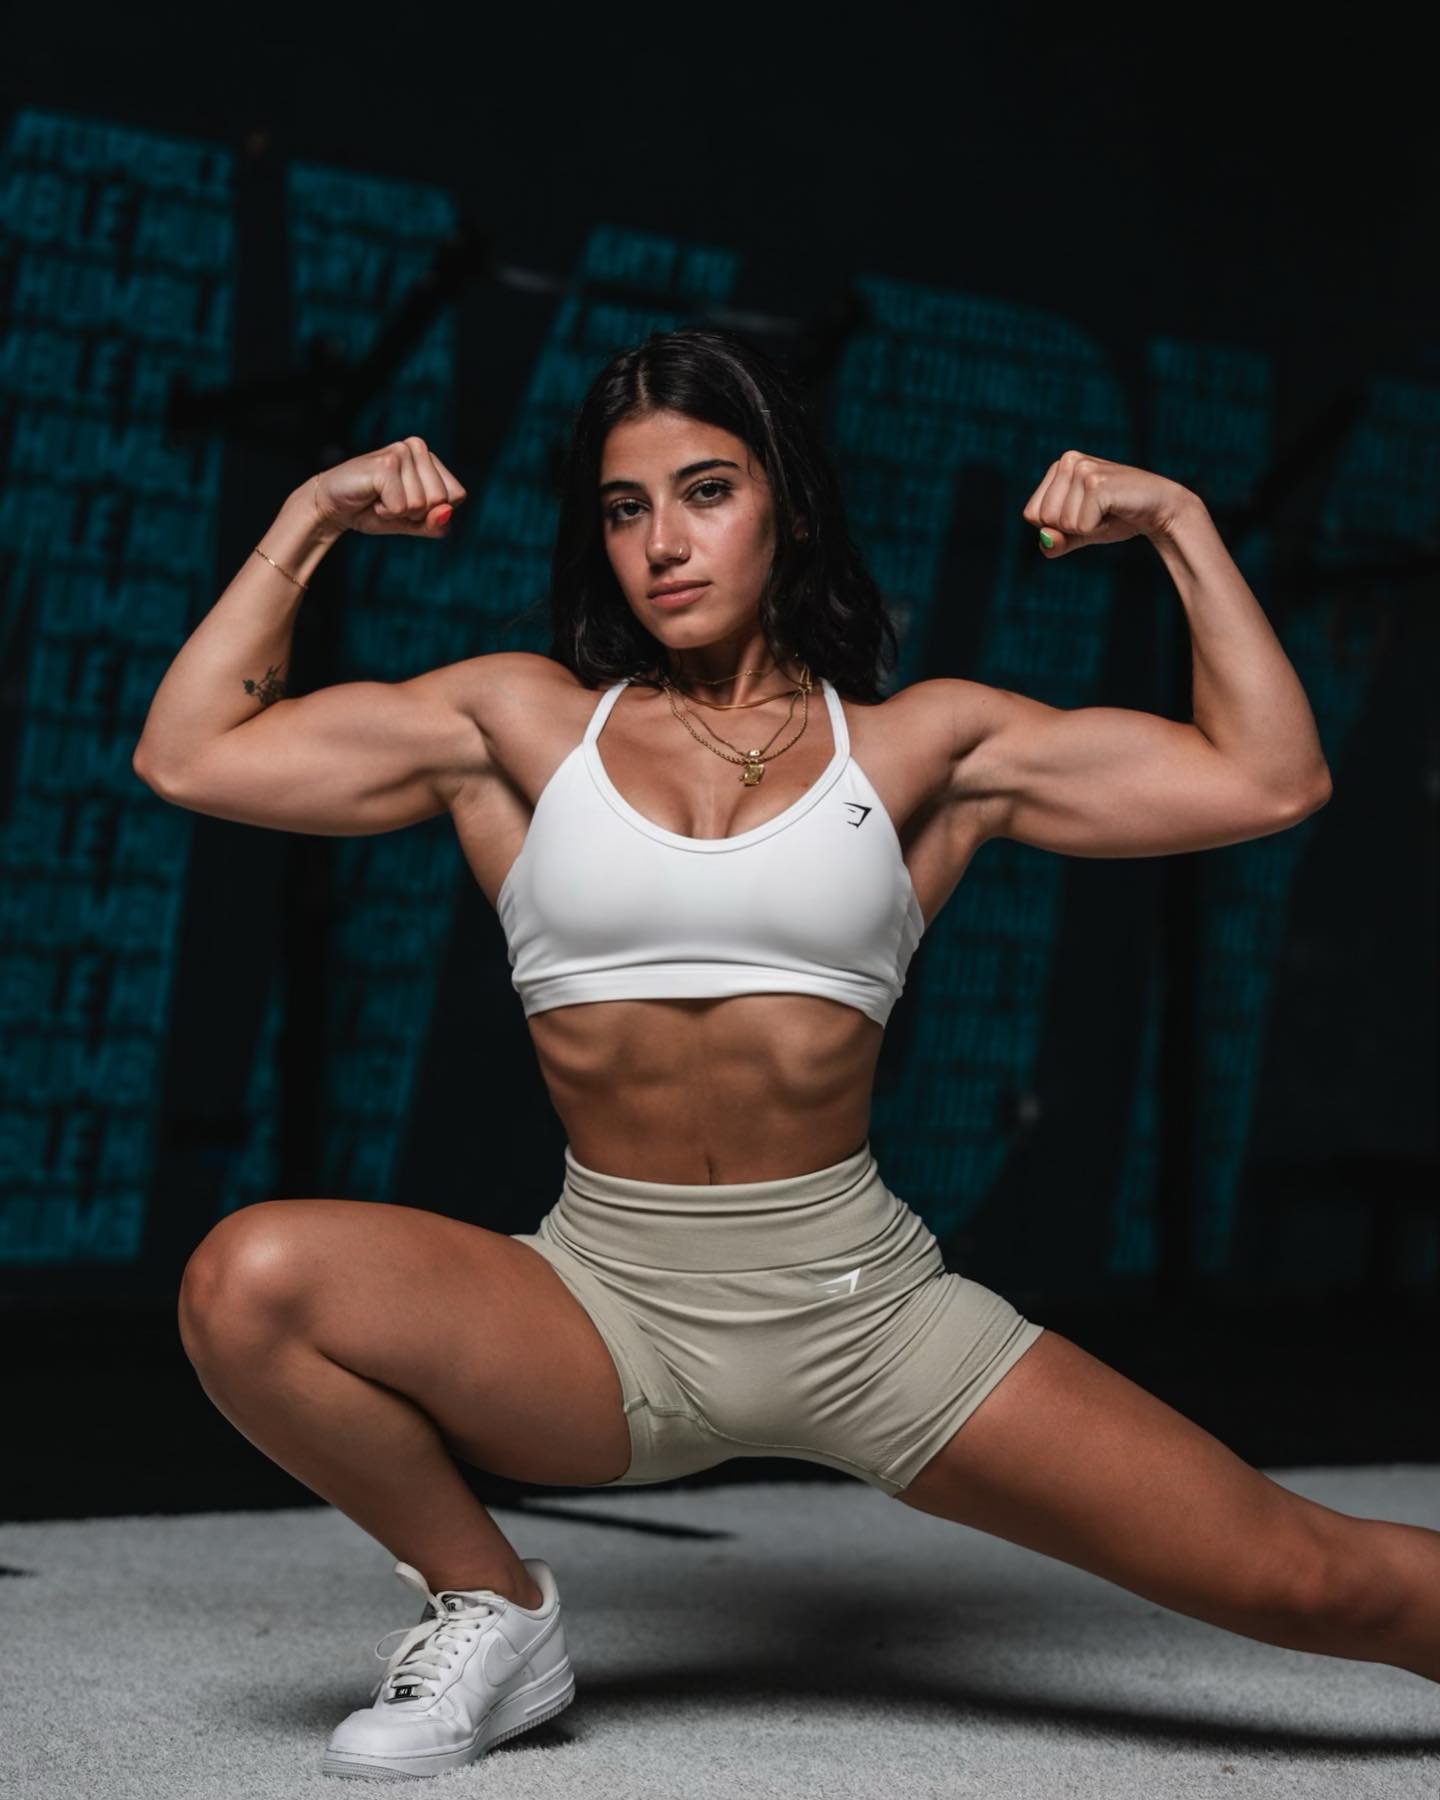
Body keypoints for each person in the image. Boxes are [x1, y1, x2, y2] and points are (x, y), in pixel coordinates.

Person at [133, 328, 1438, 1781]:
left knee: (1310, 1581)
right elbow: (191, 753)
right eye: (625, 509)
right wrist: (312, 517)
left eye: (706, 492)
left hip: (866, 1313)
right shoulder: (514, 727)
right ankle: (495, 1609)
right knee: (248, 1282)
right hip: (602, 1313)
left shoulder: (920, 750)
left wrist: (1182, 524)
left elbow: (1272, 776)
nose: (662, 544)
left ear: (789, 510)